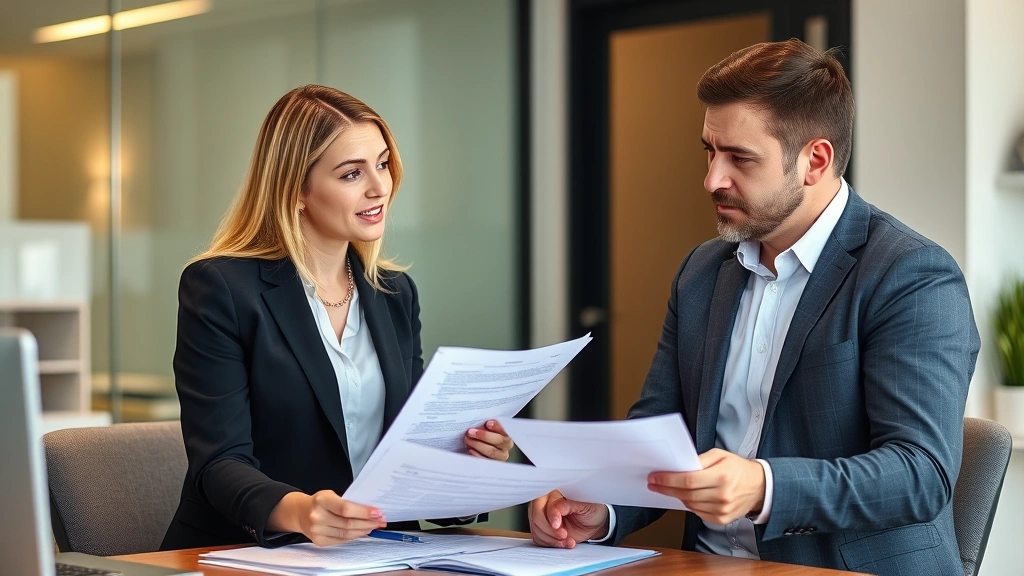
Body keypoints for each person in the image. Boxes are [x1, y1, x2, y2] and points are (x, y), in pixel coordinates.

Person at [529, 39, 980, 575]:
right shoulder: (702, 271)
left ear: (815, 160)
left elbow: (919, 474)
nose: (712, 179)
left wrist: (763, 486)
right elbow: (661, 434)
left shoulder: (910, 276)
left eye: (740, 158)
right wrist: (602, 508)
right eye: (709, 151)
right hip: (707, 565)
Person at [161, 85, 513, 550]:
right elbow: (219, 464)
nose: (379, 187)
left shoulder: (393, 294)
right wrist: (302, 512)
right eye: (351, 174)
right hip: (247, 552)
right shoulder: (222, 288)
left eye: (383, 164)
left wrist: (469, 463)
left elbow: (407, 456)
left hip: (376, 553)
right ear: (297, 190)